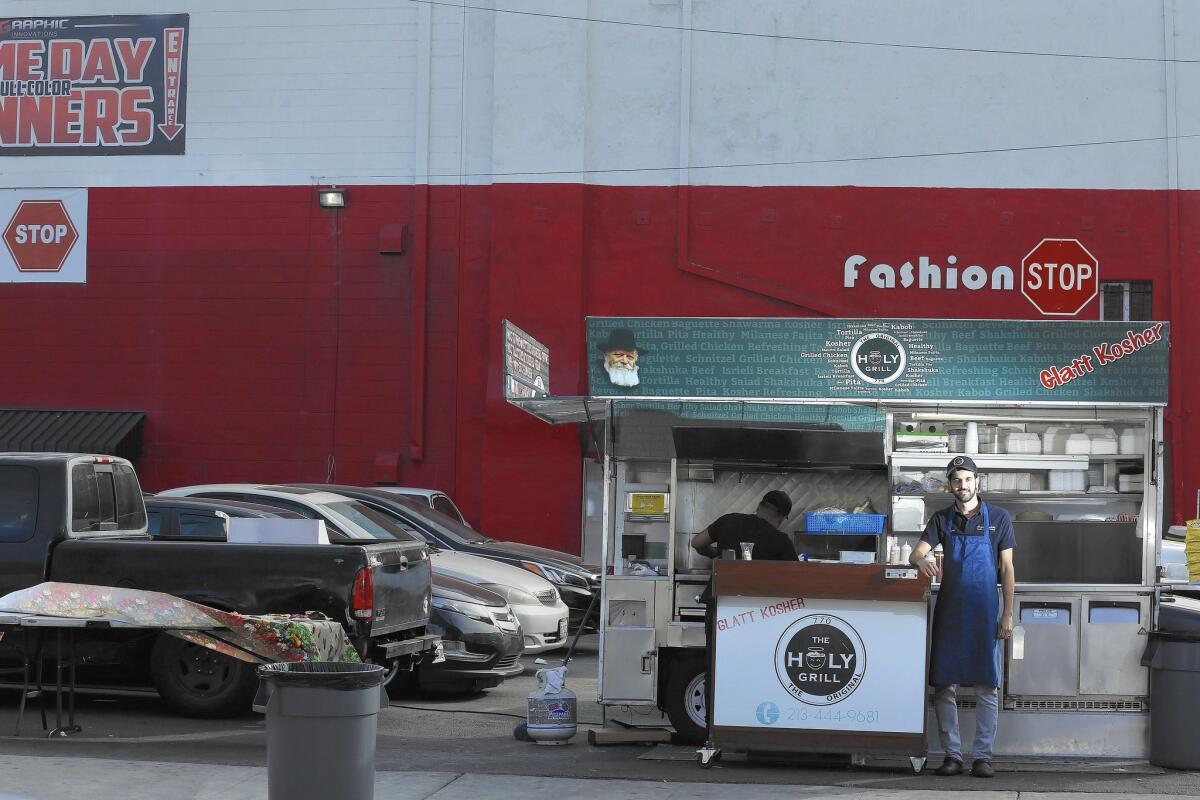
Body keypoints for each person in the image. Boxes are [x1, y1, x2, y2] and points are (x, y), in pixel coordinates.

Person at [910, 455, 1015, 779]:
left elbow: (1008, 569)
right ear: (950, 485)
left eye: (967, 479)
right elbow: (917, 551)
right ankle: (952, 755)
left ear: (977, 481)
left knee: (987, 686)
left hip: (985, 612)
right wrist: (921, 560)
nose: (963, 485)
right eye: (957, 480)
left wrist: (1008, 614)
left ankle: (982, 756)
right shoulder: (942, 519)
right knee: (944, 685)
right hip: (951, 613)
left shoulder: (999, 518)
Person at [690, 489, 798, 561]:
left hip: (719, 593)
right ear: (782, 518)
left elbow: (696, 543)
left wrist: (714, 553)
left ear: (758, 507)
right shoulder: (781, 540)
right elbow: (797, 575)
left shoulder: (728, 520)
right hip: (754, 594)